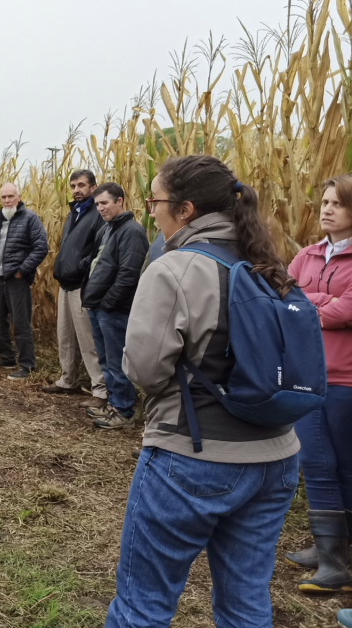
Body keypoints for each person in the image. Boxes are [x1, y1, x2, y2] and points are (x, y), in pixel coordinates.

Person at [104, 156, 301, 627]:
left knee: (142, 605)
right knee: (246, 602)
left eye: (155, 200)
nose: (151, 209)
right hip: (277, 456)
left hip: (193, 457)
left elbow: (145, 371)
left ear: (186, 209)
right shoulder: (270, 264)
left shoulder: (175, 268)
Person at [285, 173, 352, 593]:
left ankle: (337, 560)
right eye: (325, 202)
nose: (326, 209)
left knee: (344, 464)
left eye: (337, 203)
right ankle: (329, 551)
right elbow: (281, 296)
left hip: (345, 379)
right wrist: (321, 303)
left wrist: (307, 304)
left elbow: (345, 313)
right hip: (307, 378)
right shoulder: (307, 255)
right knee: (315, 463)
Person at [78, 183, 148, 430]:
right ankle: (115, 403)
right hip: (99, 306)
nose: (100, 208)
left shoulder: (132, 232)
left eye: (104, 203)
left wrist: (108, 303)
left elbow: (129, 274)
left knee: (117, 361)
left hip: (114, 309)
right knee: (106, 360)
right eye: (97, 204)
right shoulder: (108, 229)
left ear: (120, 201)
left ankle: (124, 411)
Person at [43, 169, 107, 408]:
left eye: (81, 185)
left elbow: (96, 251)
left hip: (82, 285)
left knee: (88, 339)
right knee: (66, 336)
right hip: (66, 284)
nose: (76, 190)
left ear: (93, 187)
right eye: (73, 186)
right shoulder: (74, 213)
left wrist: (80, 269)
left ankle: (100, 390)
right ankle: (68, 379)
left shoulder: (97, 213)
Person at [0, 182, 49, 378]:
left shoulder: (29, 219)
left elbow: (41, 247)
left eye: (11, 196)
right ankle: (6, 357)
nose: (7, 200)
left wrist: (21, 271)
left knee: (20, 322)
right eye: (4, 197)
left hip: (16, 280)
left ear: (19, 197)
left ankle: (27, 365)